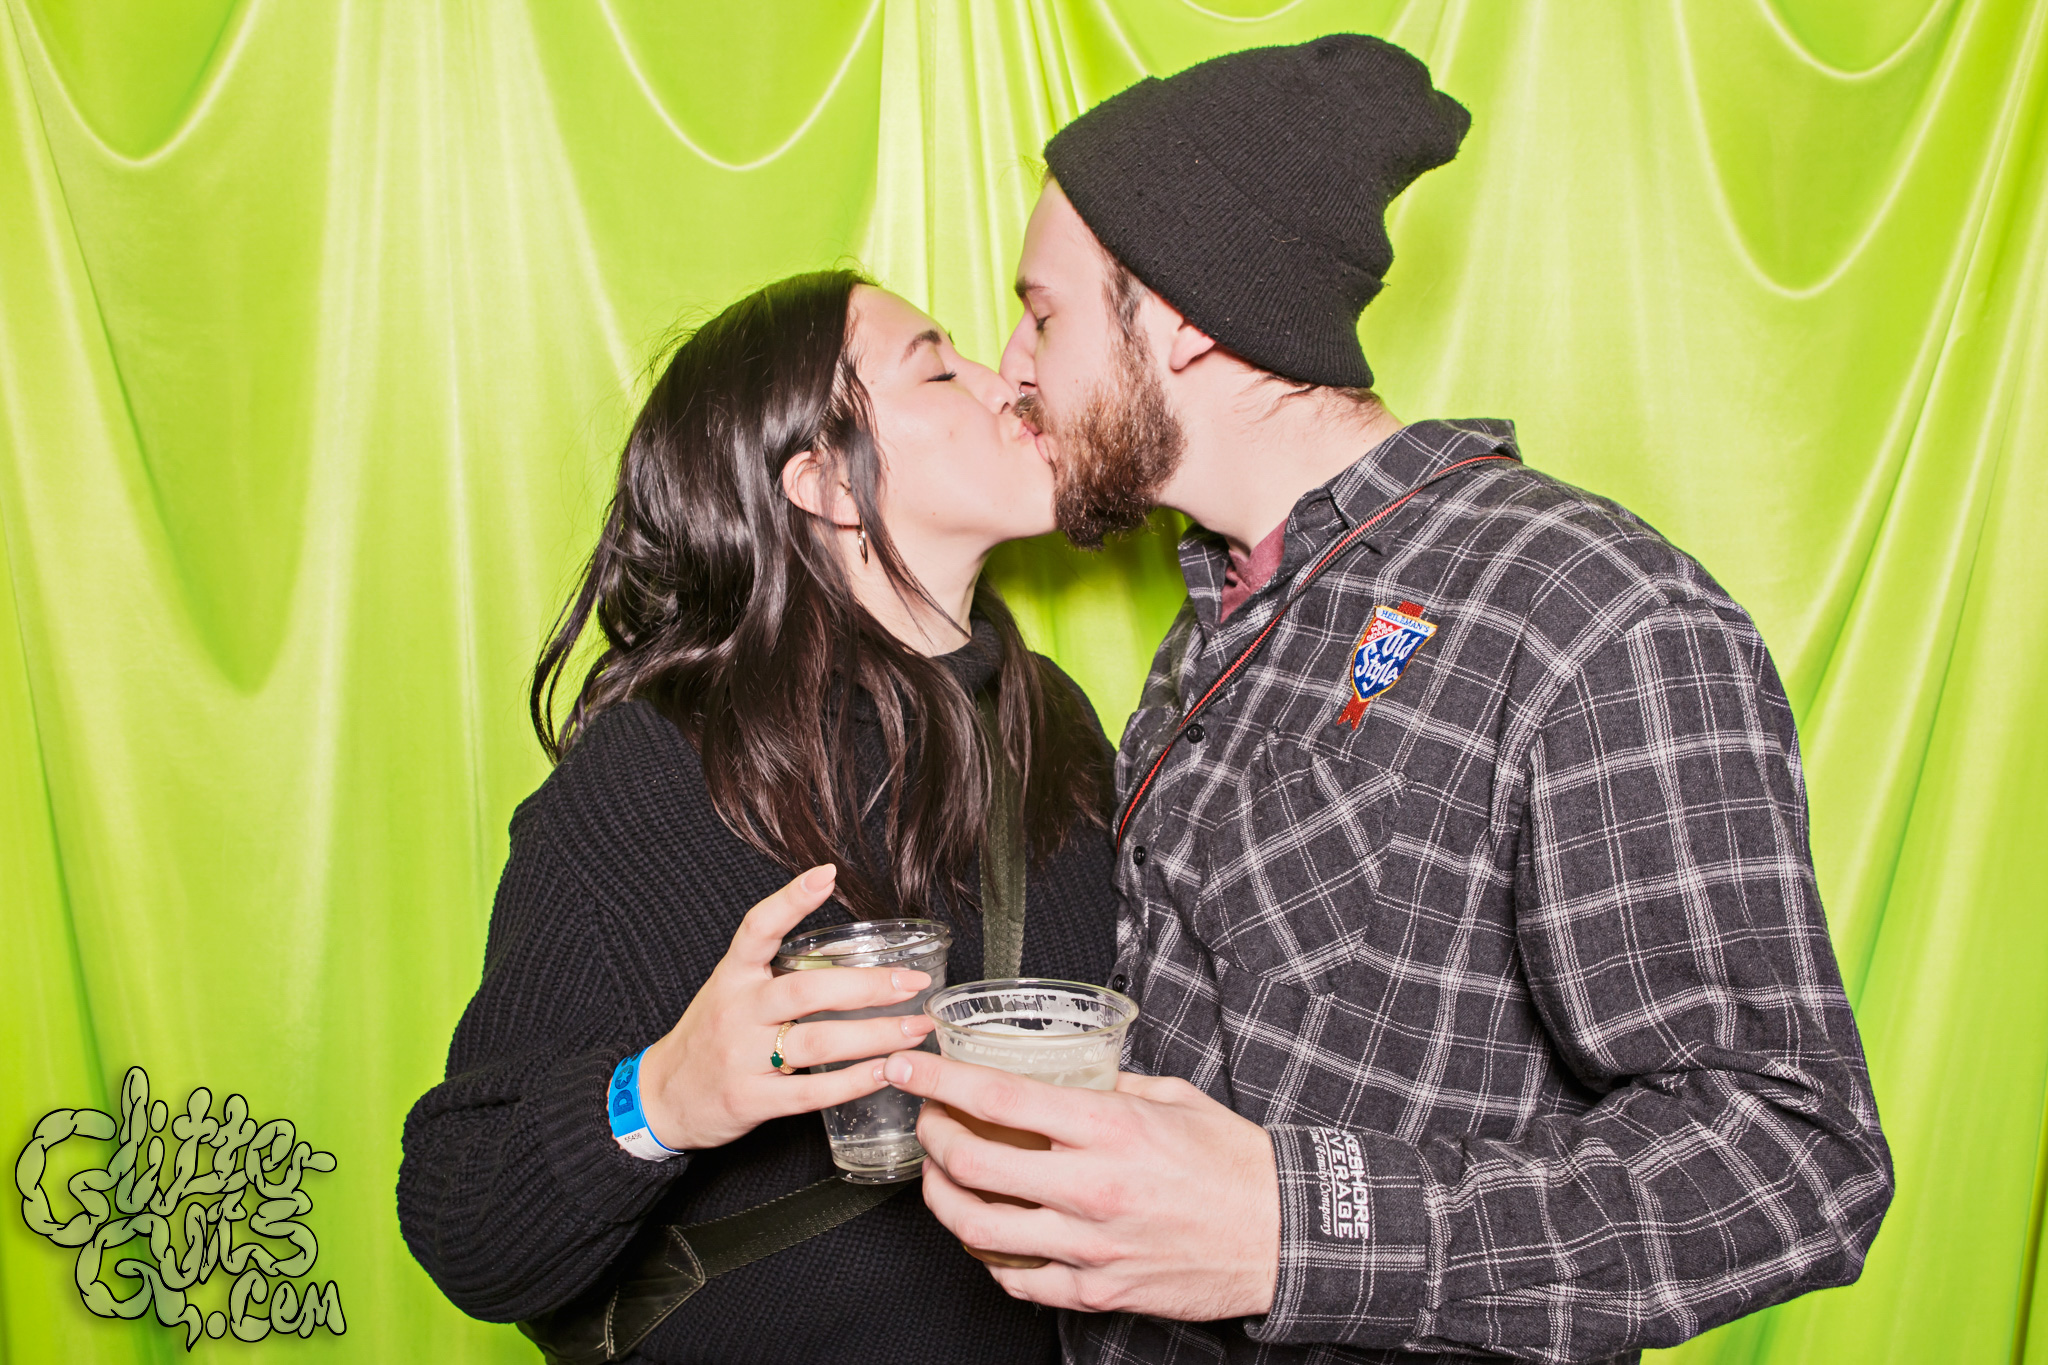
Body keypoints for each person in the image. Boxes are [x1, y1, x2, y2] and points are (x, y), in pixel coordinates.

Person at [880, 35, 1895, 1364]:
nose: (1011, 368)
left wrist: (1293, 1229)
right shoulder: (1221, 618)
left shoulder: (1584, 609)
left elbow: (1793, 1159)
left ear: (1178, 317)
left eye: (1043, 314)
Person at [397, 270, 1118, 1365]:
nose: (1004, 382)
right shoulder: (656, 774)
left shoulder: (1045, 717)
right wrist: (660, 1097)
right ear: (826, 482)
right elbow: (465, 1218)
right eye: (937, 368)